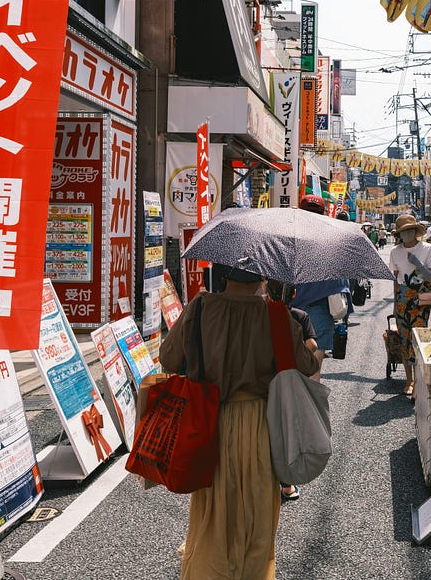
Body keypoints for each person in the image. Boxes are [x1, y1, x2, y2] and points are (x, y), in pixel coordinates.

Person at [159, 264, 322, 579]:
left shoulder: (202, 307)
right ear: (263, 277)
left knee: (213, 509)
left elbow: (169, 358)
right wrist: (314, 351)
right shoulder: (276, 315)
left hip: (209, 420)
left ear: (223, 274)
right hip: (260, 424)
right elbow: (304, 365)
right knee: (257, 512)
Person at [266, 278, 320, 502]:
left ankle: (264, 478)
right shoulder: (300, 316)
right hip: (290, 380)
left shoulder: (263, 314)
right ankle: (287, 485)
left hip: (266, 379)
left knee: (267, 429)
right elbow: (313, 346)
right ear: (295, 294)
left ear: (267, 293)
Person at [290, 194, 352, 357]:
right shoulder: (333, 240)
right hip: (321, 309)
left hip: (291, 310)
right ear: (324, 213)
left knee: (290, 363)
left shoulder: (291, 237)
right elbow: (341, 281)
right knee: (313, 368)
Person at [388, 214, 431, 398]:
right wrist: (395, 303)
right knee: (404, 338)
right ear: (399, 235)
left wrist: (417, 263)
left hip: (421, 298)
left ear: (416, 232)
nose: (407, 234)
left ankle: (418, 380)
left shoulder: (427, 249)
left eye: (410, 230)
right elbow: (395, 279)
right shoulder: (395, 251)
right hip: (402, 297)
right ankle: (409, 380)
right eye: (404, 232)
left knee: (418, 338)